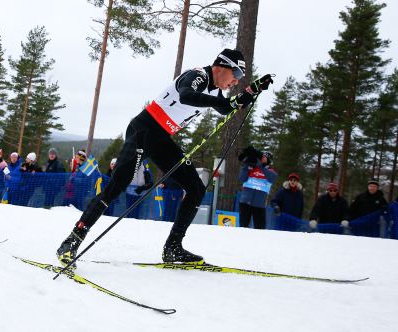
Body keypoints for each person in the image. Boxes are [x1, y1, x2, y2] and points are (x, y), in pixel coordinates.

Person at [56, 49, 273, 268]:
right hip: (144, 130)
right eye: (235, 72)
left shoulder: (215, 90)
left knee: (196, 188)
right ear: (220, 66)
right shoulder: (198, 75)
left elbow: (227, 108)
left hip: (160, 139)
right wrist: (231, 102)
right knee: (116, 185)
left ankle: (173, 248)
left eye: (240, 77)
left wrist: (251, 90)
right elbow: (187, 94)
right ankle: (72, 240)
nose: (236, 80)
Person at [238, 150, 278, 229]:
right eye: (261, 157)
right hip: (245, 202)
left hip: (259, 204)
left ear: (269, 160)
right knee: (243, 228)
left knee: (260, 229)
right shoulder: (251, 168)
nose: (262, 158)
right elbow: (242, 179)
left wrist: (261, 166)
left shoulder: (271, 171)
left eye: (265, 157)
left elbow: (272, 178)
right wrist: (245, 165)